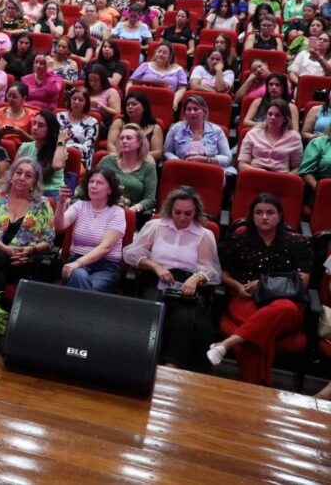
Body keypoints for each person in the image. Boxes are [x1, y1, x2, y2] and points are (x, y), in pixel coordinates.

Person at [208, 194, 311, 386]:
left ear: (279, 215)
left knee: (284, 309)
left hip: (287, 301)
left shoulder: (296, 242)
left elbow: (302, 281)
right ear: (252, 216)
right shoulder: (239, 240)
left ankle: (226, 344)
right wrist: (237, 286)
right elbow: (222, 273)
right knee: (259, 332)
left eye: (270, 212)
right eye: (259, 212)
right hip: (246, 297)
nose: (264, 217)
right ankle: (258, 391)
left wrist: (263, 284)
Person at [123, 187, 221, 370]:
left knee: (184, 319)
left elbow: (212, 270)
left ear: (196, 212)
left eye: (188, 213)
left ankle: (171, 367)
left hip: (186, 284)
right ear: (170, 209)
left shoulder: (204, 234)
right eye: (177, 212)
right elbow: (131, 254)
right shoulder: (156, 226)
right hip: (156, 278)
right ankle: (141, 361)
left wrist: (196, 278)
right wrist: (155, 266)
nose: (182, 218)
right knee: (153, 310)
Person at [0, 157, 55, 292]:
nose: (22, 178)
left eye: (28, 175)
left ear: (34, 182)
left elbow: (48, 241)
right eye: (18, 172)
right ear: (11, 176)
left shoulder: (43, 205)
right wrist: (5, 250)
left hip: (20, 260)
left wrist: (30, 250)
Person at [55, 166, 127, 292]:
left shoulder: (117, 213)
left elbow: (105, 247)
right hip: (75, 262)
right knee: (79, 275)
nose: (93, 186)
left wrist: (78, 263)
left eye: (99, 183)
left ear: (110, 189)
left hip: (106, 267)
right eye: (91, 182)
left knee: (84, 284)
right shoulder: (79, 206)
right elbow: (59, 226)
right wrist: (61, 203)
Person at [96, 123, 158, 225]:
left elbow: (149, 199)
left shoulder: (148, 167)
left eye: (128, 138)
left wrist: (132, 210)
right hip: (102, 207)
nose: (124, 141)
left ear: (139, 143)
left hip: (128, 214)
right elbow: (88, 183)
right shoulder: (107, 161)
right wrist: (73, 193)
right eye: (121, 138)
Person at [238, 99, 303, 174]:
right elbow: (242, 165)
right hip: (255, 175)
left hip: (281, 179)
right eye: (270, 114)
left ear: (285, 119)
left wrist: (284, 179)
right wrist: (261, 173)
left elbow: (297, 167)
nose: (272, 117)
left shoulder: (294, 138)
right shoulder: (252, 134)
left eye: (278, 115)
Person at [16, 108, 66, 200]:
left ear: (50, 130)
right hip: (27, 190)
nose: (35, 128)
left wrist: (61, 141)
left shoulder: (59, 149)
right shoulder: (24, 147)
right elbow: (14, 173)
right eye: (34, 123)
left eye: (41, 125)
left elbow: (57, 165)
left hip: (51, 194)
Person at [129, 41, 188, 111]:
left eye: (165, 53)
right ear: (155, 53)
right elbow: (131, 82)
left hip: (166, 102)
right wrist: (129, 96)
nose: (161, 54)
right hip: (143, 101)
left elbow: (182, 88)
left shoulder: (179, 70)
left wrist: (175, 101)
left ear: (170, 56)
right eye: (159, 51)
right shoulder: (145, 65)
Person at [57, 87, 100, 171]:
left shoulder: (92, 122)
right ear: (70, 100)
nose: (77, 102)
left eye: (81, 100)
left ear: (86, 103)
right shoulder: (59, 116)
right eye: (74, 99)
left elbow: (87, 148)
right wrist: (60, 145)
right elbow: (51, 140)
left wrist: (62, 144)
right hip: (56, 155)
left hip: (80, 159)